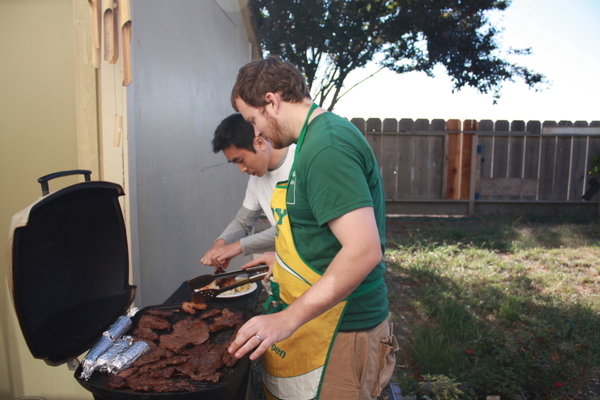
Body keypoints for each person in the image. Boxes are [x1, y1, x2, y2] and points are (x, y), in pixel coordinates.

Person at [227, 56, 398, 400]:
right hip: (324, 323)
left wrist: (286, 320)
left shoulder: (326, 146)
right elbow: (321, 233)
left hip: (342, 330)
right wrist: (282, 261)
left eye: (252, 120)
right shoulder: (309, 141)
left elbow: (362, 250)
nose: (255, 132)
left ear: (272, 101)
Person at [200, 113, 295, 269]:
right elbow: (243, 222)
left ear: (260, 143)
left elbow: (295, 227)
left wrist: (239, 246)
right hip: (291, 267)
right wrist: (221, 243)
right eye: (235, 163)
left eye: (241, 160)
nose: (242, 169)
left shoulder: (300, 163)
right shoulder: (256, 178)